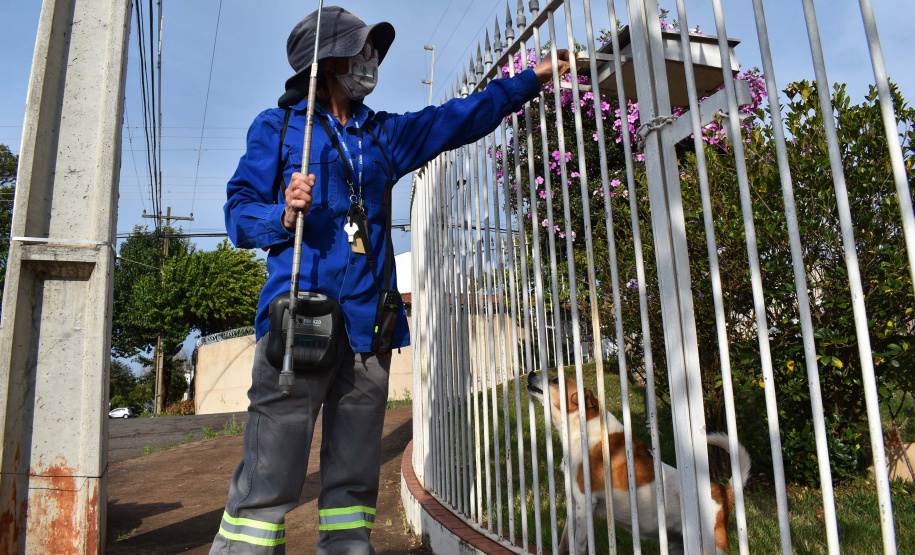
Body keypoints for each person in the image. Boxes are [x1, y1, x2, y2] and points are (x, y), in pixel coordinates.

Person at [211, 7, 569, 554]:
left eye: (374, 52)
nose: (371, 62)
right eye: (361, 51)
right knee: (268, 483)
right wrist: (281, 214)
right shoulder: (279, 128)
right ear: (327, 62)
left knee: (354, 485)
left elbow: (458, 117)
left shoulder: (383, 135)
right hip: (299, 328)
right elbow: (238, 214)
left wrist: (534, 78)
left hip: (368, 332)